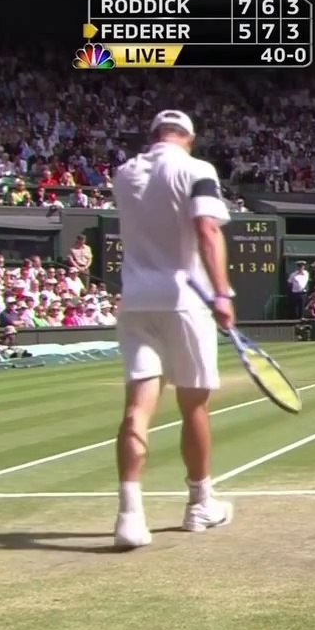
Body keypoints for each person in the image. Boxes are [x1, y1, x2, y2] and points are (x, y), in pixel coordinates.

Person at [109, 110, 234, 550]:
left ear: (152, 135)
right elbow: (206, 229)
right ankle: (200, 502)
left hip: (136, 302)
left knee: (136, 409)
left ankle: (129, 517)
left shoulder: (123, 174)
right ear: (190, 140)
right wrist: (222, 294)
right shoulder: (198, 169)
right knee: (193, 406)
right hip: (185, 302)